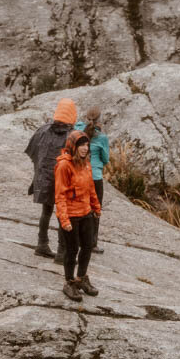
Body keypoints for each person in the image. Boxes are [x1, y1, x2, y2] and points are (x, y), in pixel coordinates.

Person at [25, 98, 77, 259]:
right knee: (64, 214)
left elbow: (32, 151)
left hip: (44, 178)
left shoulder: (42, 130)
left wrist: (40, 169)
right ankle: (62, 252)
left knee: (46, 211)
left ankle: (42, 243)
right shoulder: (73, 136)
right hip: (64, 181)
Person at [55, 129, 101, 301]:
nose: (85, 148)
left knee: (87, 246)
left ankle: (81, 278)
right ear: (73, 146)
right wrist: (64, 219)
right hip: (71, 215)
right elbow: (59, 195)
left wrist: (96, 207)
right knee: (72, 249)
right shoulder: (64, 165)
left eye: (87, 145)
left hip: (85, 212)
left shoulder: (86, 164)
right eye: (81, 145)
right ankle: (69, 282)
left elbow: (90, 189)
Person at [76, 106, 110, 253]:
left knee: (80, 207)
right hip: (95, 177)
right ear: (99, 120)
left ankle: (77, 239)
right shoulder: (101, 138)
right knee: (95, 209)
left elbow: (77, 125)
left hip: (80, 174)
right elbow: (106, 159)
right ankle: (91, 243)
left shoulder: (78, 130)